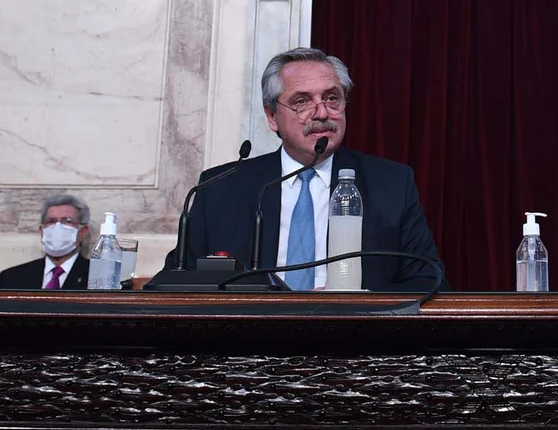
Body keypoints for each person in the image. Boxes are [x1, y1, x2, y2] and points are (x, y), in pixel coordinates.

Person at [158, 48, 444, 292]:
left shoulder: (391, 184)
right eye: (302, 102)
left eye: (332, 98)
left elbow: (430, 281)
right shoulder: (220, 188)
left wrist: (359, 299)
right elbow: (175, 281)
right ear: (272, 117)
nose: (321, 113)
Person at [0, 194, 93, 290]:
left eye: (67, 221)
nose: (57, 227)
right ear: (41, 231)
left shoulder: (97, 276)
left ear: (82, 232)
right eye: (51, 221)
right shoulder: (11, 278)